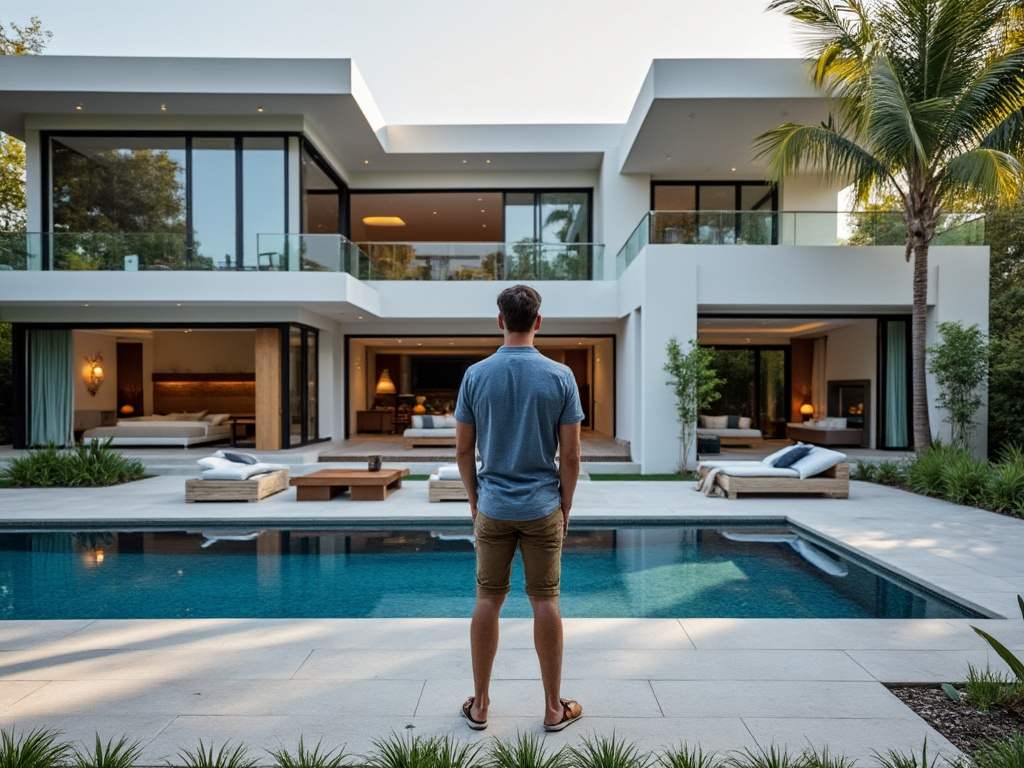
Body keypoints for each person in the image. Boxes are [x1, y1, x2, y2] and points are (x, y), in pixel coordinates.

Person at [454, 284, 584, 733]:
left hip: (492, 505)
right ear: (538, 322)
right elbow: (570, 457)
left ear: (500, 321)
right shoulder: (560, 376)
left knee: (487, 599)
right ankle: (552, 708)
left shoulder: (475, 375)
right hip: (542, 506)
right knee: (545, 601)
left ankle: (482, 705)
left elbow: (463, 451)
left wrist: (475, 499)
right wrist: (565, 505)